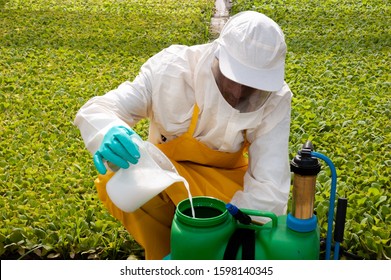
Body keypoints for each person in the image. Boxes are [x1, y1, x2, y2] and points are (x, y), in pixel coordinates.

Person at [74, 11, 292, 260]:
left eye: (252, 86)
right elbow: (100, 109)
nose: (237, 91)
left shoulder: (276, 99)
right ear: (216, 55)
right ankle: (163, 258)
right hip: (165, 179)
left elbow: (269, 185)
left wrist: (224, 234)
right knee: (118, 175)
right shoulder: (171, 69)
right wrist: (107, 130)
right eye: (232, 77)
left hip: (228, 195)